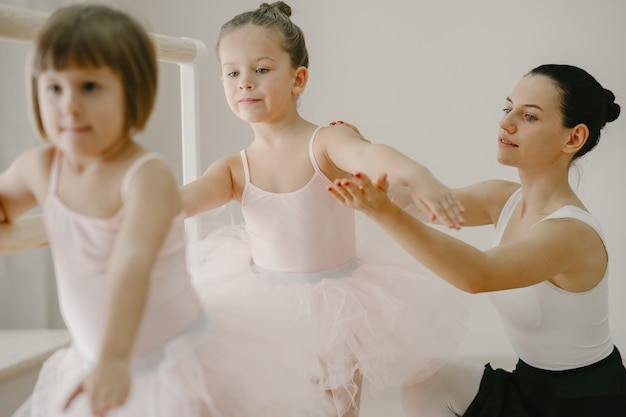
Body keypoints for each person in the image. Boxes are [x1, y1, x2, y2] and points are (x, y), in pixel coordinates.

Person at [0, 4, 331, 417]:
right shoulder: (38, 168)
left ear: (131, 92)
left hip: (166, 359)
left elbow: (132, 260)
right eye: (54, 89)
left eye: (89, 87)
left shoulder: (145, 175)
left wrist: (115, 357)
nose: (69, 105)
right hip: (92, 358)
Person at [180, 2, 469, 416]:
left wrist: (417, 174)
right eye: (232, 72)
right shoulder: (232, 169)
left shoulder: (327, 143)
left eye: (261, 69)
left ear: (298, 79)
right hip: (261, 304)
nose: (244, 82)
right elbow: (182, 200)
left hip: (336, 304)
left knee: (335, 408)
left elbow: (370, 155)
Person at [328, 63, 626, 416]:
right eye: (508, 108)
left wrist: (382, 212)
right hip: (528, 385)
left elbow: (477, 275)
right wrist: (357, 157)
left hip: (584, 403)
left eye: (529, 116)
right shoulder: (503, 199)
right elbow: (415, 203)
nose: (506, 122)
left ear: (572, 138)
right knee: (425, 381)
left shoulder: (570, 233)